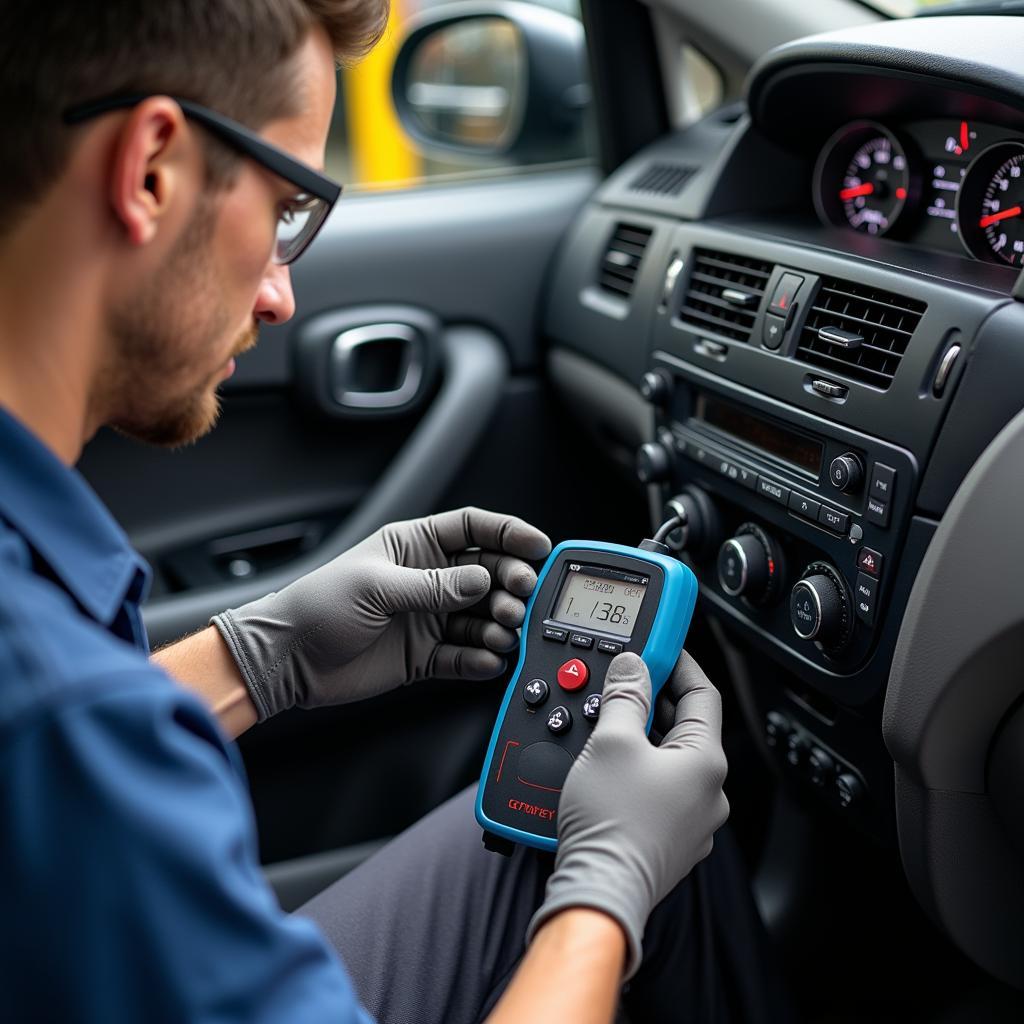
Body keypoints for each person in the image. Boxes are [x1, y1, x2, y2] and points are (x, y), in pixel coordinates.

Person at [0, 2, 794, 1021]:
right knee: (620, 852)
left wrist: (261, 657)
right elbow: (60, 745)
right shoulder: (65, 715)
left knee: (532, 828)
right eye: (288, 207)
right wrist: (608, 893)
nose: (282, 293)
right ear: (150, 168)